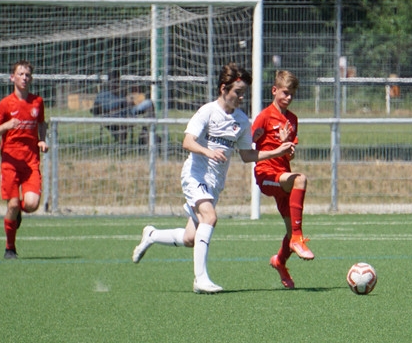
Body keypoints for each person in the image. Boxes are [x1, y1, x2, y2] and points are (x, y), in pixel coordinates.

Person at [131, 62, 294, 293]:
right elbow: (187, 141)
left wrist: (277, 151)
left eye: (244, 93)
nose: (241, 97)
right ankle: (200, 280)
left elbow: (247, 155)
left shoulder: (241, 121)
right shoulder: (207, 112)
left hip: (214, 185)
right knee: (210, 217)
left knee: (190, 238)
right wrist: (208, 152)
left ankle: (151, 235)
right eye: (238, 92)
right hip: (194, 175)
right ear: (223, 89)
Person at [251, 69, 314, 289]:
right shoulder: (264, 116)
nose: (288, 97)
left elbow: (290, 155)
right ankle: (298, 238)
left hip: (283, 174)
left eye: (292, 94)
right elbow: (248, 146)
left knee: (289, 229)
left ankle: (280, 262)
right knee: (300, 180)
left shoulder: (292, 120)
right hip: (266, 174)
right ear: (274, 90)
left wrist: (287, 146)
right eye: (285, 92)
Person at [0, 60, 48, 260]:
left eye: (27, 75)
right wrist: (7, 126)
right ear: (12, 77)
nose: (24, 78)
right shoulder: (5, 104)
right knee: (12, 205)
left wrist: (42, 140)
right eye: (20, 74)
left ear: (31, 78)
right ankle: (10, 248)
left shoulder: (37, 102)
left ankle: (16, 213)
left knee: (32, 204)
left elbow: (42, 123)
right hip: (10, 162)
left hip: (30, 162)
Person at [91, 70, 154, 143]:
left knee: (148, 103)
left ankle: (146, 132)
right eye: (113, 81)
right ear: (109, 82)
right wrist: (111, 111)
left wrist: (129, 102)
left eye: (117, 81)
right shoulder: (103, 94)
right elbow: (95, 110)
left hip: (127, 112)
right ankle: (122, 144)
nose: (116, 83)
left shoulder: (121, 92)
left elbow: (127, 105)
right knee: (122, 120)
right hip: (112, 116)